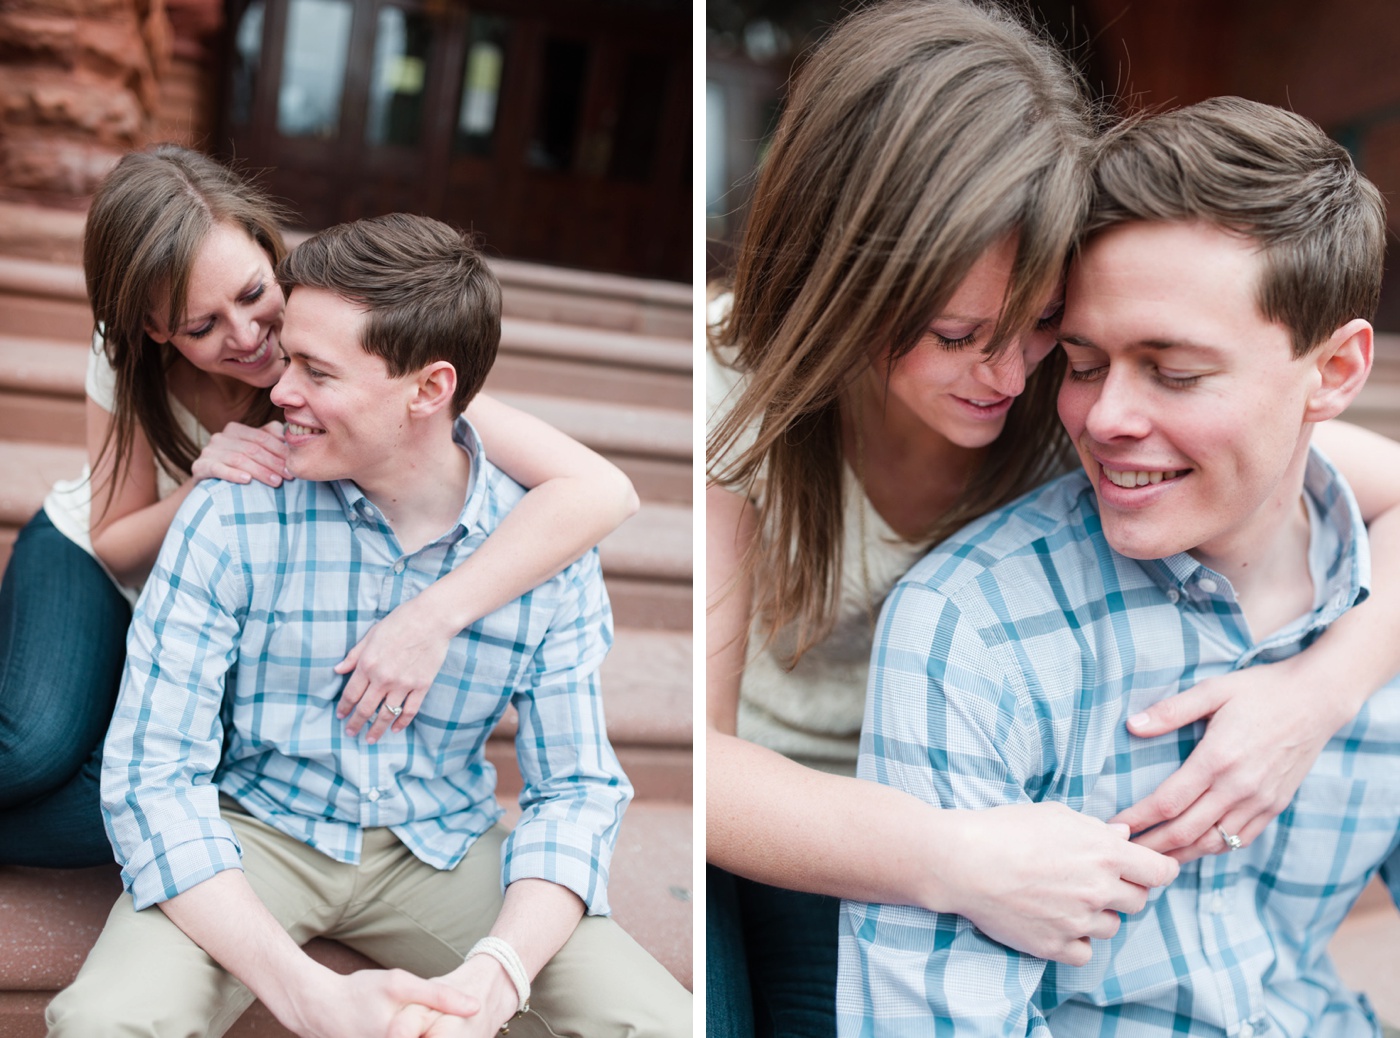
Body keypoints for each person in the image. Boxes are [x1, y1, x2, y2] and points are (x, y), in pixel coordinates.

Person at [707, 2, 1400, 1034]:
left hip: (968, 779)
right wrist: (954, 858)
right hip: (788, 808)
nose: (1004, 374)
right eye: (953, 333)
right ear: (844, 284)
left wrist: (1314, 694)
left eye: (1038, 326)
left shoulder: (1081, 394)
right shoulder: (734, 384)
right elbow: (704, 759)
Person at [44, 212, 690, 1037]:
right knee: (107, 1022)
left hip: (445, 848)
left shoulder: (546, 550)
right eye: (289, 359)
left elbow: (575, 793)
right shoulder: (236, 511)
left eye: (316, 370)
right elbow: (153, 780)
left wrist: (499, 975)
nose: (275, 393)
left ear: (430, 390)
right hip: (256, 832)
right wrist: (306, 995)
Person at [0, 144, 639, 867]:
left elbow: (603, 491)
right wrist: (204, 483)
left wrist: (433, 616)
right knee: (31, 748)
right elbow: (113, 539)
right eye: (200, 326)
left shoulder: (349, 353)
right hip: (93, 563)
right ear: (153, 329)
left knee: (152, 797)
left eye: (251, 296)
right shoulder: (124, 356)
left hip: (211, 612)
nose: (247, 339)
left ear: (273, 258)